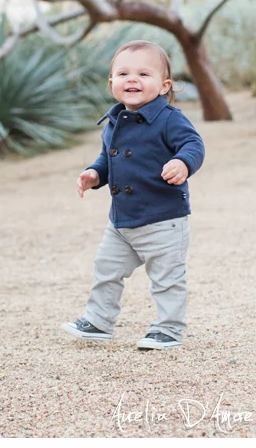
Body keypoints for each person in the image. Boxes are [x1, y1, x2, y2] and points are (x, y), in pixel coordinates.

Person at [63, 40, 204, 350]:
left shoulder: (170, 119)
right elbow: (107, 159)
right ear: (111, 82)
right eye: (123, 73)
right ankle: (98, 321)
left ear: (164, 85)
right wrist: (94, 174)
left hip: (163, 219)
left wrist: (182, 162)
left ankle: (168, 328)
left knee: (166, 279)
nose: (132, 79)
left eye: (143, 73)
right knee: (106, 270)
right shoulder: (113, 122)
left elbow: (194, 145)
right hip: (122, 222)